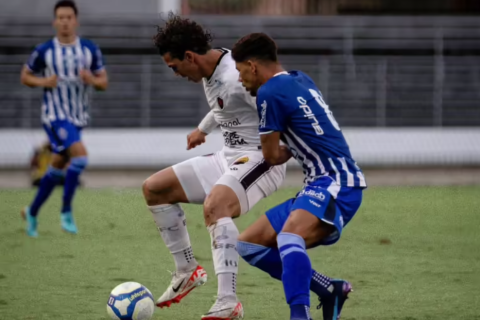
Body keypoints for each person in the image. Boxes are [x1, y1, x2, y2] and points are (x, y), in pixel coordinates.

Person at [144, 13, 286, 320]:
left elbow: (274, 106)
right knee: (155, 189)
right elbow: (225, 104)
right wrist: (203, 129)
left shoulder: (236, 75)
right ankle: (186, 271)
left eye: (174, 66)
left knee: (215, 206)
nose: (175, 73)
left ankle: (227, 302)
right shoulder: (216, 67)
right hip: (230, 156)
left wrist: (298, 149)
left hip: (261, 159)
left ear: (190, 56)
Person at [231, 33, 367, 320]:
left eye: (241, 71)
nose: (241, 79)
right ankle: (328, 289)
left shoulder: (268, 93)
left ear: (253, 66)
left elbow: (271, 156)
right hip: (323, 181)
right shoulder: (300, 78)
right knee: (248, 244)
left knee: (289, 237)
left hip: (335, 182)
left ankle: (299, 315)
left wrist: (285, 151)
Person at [20, 0, 108, 237]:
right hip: (54, 116)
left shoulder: (89, 49)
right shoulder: (45, 51)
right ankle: (66, 211)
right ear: (55, 21)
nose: (65, 21)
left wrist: (91, 79)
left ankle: (32, 211)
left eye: (69, 17)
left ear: (75, 21)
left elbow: (103, 82)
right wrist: (43, 81)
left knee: (57, 166)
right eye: (61, 17)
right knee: (80, 156)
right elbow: (26, 76)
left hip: (78, 117)